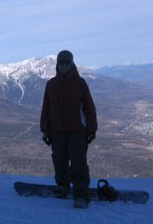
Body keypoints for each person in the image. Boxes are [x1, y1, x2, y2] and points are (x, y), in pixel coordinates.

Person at [40, 50, 97, 209]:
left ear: (72, 64)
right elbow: (46, 107)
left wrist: (91, 129)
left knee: (78, 162)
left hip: (77, 130)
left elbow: (89, 108)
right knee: (60, 161)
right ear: (57, 64)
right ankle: (62, 186)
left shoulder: (80, 83)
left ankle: (81, 195)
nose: (64, 65)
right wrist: (45, 129)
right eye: (61, 62)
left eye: (67, 62)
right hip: (57, 130)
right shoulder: (51, 84)